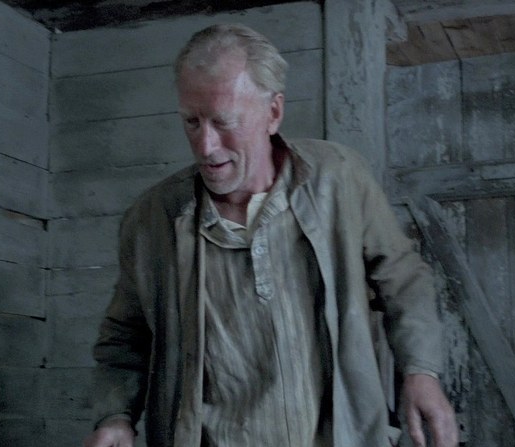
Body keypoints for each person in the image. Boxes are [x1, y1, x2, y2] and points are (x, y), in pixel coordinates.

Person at [83, 23, 458, 447]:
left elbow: (402, 278)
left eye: (224, 122)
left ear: (273, 113)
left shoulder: (338, 179)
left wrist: (421, 371)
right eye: (191, 121)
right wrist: (115, 417)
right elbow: (125, 337)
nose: (205, 145)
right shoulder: (152, 219)